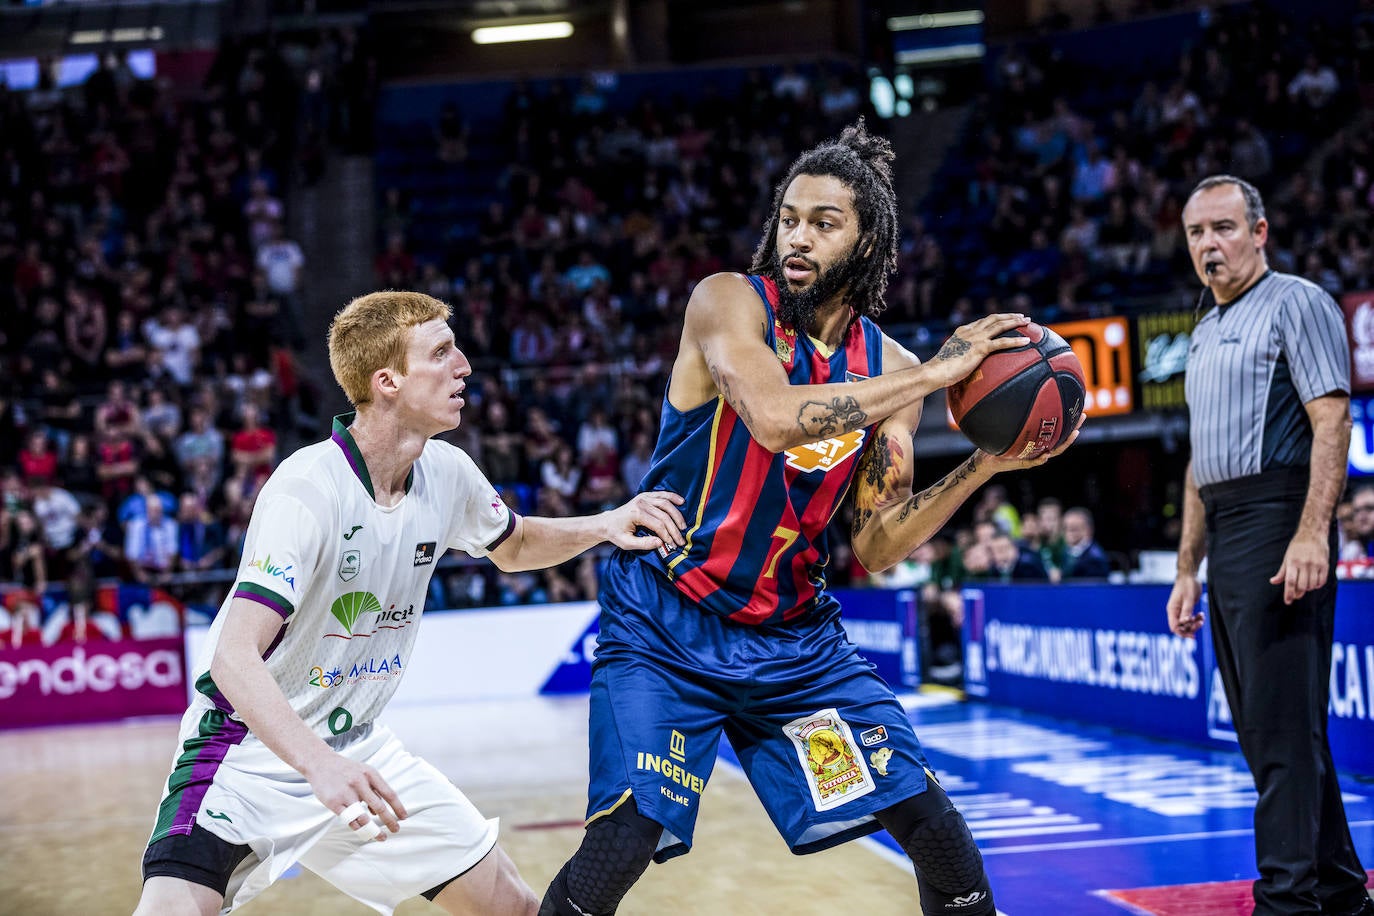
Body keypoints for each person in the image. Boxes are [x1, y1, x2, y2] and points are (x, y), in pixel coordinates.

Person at [540, 121, 1081, 916]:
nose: (797, 236)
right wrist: (936, 373)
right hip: (664, 623)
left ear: (867, 242)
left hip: (792, 646)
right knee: (626, 837)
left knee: (931, 823)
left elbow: (876, 541)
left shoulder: (894, 370)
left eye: (824, 223)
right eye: (790, 217)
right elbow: (772, 417)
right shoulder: (728, 302)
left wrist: (986, 462)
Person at [134, 291, 686, 916]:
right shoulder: (306, 488)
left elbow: (516, 543)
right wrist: (317, 765)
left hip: (360, 753)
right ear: (387, 381)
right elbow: (232, 657)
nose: (465, 366)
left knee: (516, 909)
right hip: (245, 755)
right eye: (442, 352)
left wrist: (605, 524)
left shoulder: (446, 472)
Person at [1166, 175, 1372, 916]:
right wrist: (1187, 567)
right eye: (1196, 233)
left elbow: (1333, 421)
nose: (1208, 245)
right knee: (1274, 735)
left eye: (1223, 228)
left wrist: (1315, 530)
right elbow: (1198, 458)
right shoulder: (1203, 328)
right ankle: (1344, 896)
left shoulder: (1298, 301)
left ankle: (1286, 902)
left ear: (1259, 232)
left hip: (1279, 515)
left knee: (1280, 735)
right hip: (1226, 529)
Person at [1059, 507, 1111, 579]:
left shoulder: (1095, 559)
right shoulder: (1064, 552)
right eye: (1065, 528)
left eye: (1073, 529)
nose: (1068, 533)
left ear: (1088, 530)